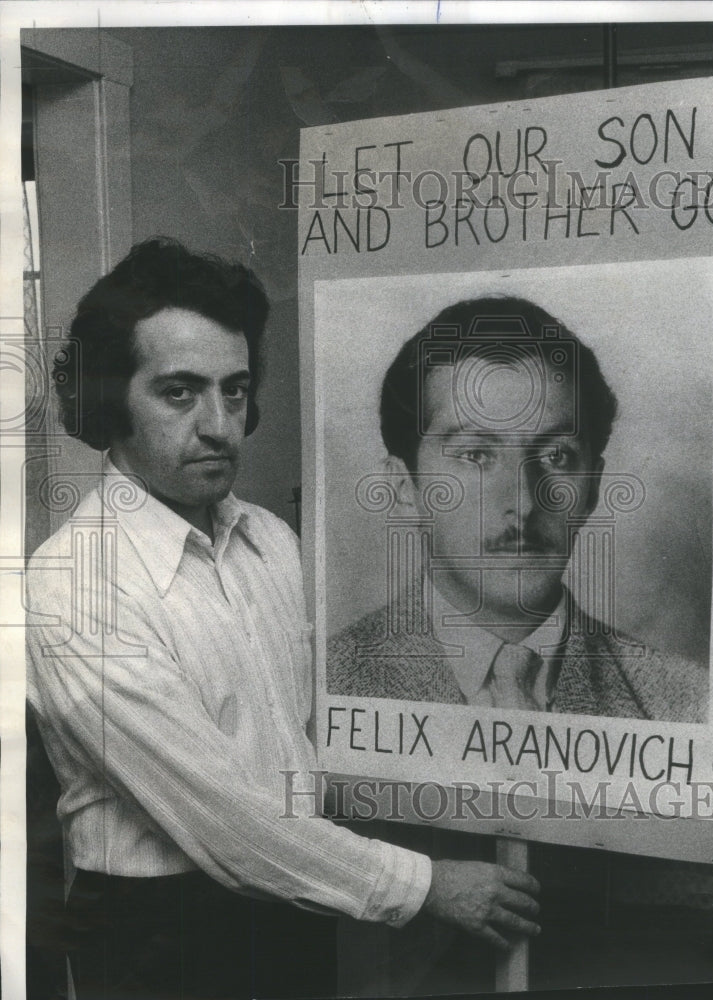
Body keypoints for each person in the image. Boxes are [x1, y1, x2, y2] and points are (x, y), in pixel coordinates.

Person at [25, 241, 542, 999]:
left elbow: (323, 733)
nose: (218, 425)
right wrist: (426, 884)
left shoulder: (271, 540)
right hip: (160, 940)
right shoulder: (71, 589)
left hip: (298, 906)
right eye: (179, 393)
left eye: (234, 392)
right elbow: (226, 820)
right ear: (110, 401)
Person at [328, 296, 707, 723]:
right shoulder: (320, 686)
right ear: (404, 487)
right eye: (474, 455)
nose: (523, 503)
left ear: (592, 488)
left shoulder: (688, 703)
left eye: (555, 456)